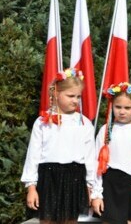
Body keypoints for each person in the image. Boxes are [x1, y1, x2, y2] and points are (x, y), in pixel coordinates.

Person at [21, 68, 95, 223]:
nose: (75, 100)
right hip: (49, 178)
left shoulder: (84, 123)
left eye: (78, 96)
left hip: (74, 178)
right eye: (70, 96)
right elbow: (33, 155)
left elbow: (90, 157)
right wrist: (31, 187)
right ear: (56, 93)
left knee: (70, 220)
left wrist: (90, 186)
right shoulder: (43, 122)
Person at [91, 82, 131, 224]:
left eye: (127, 107)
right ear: (112, 106)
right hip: (110, 184)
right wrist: (96, 194)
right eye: (118, 107)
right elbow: (97, 163)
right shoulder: (105, 130)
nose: (122, 111)